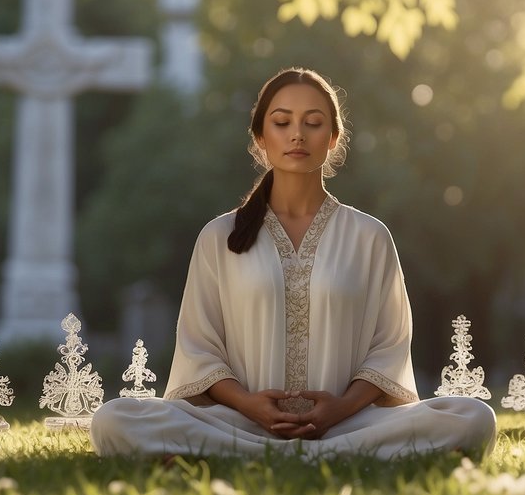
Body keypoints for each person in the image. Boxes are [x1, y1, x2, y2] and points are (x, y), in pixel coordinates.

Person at [90, 67, 496, 459]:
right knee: (113, 419)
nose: (297, 134)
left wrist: (338, 409)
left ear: (334, 138)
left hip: (347, 424)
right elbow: (200, 348)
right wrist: (251, 406)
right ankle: (321, 457)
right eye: (282, 122)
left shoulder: (369, 236)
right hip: (241, 424)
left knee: (473, 417)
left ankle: (266, 455)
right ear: (261, 138)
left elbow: (388, 346)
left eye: (313, 122)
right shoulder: (220, 237)